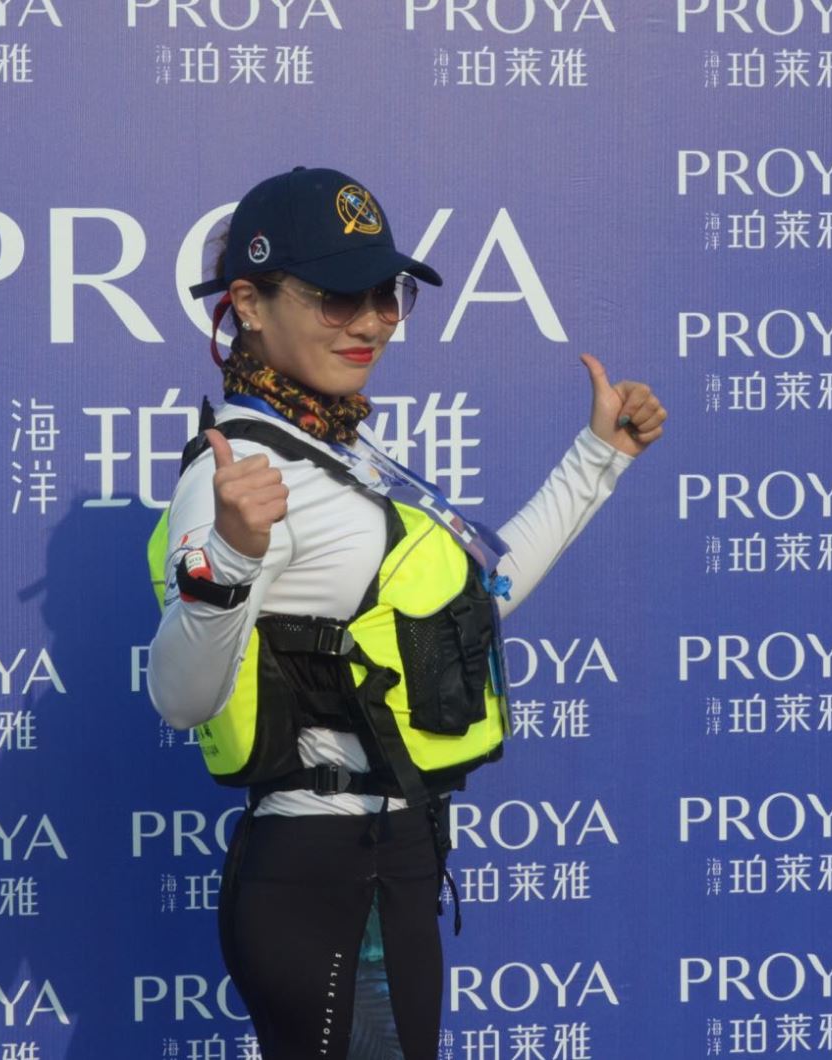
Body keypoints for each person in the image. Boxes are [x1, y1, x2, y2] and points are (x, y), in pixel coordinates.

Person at [145, 166, 665, 1060]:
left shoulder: (342, 449)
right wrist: (228, 556)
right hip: (322, 875)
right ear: (250, 304)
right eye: (337, 296)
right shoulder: (232, 473)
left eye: (385, 294)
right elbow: (181, 699)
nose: (372, 321)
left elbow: (475, 597)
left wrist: (598, 458)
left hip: (395, 861)